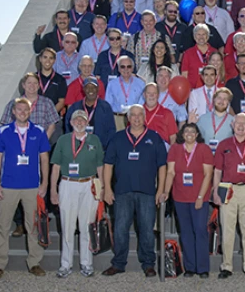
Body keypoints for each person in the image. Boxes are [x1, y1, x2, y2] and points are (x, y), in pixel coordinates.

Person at [102, 105, 167, 277]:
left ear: (145, 117)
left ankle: (148, 264)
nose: (137, 118)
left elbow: (162, 166)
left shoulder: (154, 138)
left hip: (147, 192)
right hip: (122, 191)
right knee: (120, 228)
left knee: (146, 229)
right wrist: (107, 189)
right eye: (133, 115)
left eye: (140, 115)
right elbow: (108, 165)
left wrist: (160, 189)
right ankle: (118, 263)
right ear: (128, 118)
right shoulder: (117, 138)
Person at [0, 98, 50, 280]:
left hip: (32, 187)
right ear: (13, 112)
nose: (22, 112)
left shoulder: (39, 131)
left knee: (33, 226)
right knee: (2, 226)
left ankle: (34, 262)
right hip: (8, 186)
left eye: (26, 109)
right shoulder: (3, 132)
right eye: (19, 109)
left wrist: (45, 183)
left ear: (30, 111)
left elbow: (44, 159)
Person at [50, 110, 104, 278]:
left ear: (87, 123)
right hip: (68, 184)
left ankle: (86, 264)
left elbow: (100, 166)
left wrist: (101, 187)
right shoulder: (63, 140)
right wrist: (53, 189)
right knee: (67, 225)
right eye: (76, 120)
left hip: (88, 185)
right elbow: (56, 167)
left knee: (87, 225)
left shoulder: (94, 140)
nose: (80, 122)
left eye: (83, 120)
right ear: (71, 122)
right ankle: (65, 264)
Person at [213, 113, 245, 279]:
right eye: (237, 124)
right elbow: (217, 170)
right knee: (227, 229)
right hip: (228, 189)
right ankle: (227, 266)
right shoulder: (224, 145)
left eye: (244, 124)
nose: (240, 126)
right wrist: (215, 192)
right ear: (232, 125)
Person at [164, 123, 213, 278]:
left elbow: (208, 174)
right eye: (187, 131)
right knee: (185, 232)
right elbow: (170, 172)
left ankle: (203, 267)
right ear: (182, 134)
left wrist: (200, 197)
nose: (190, 134)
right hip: (180, 197)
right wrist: (166, 191)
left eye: (193, 131)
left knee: (200, 231)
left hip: (199, 197)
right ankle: (190, 267)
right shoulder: (175, 149)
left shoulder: (204, 149)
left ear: (197, 134)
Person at [0, 73, 60, 140]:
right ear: (23, 85)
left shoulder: (47, 103)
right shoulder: (12, 104)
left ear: (39, 86)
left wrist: (43, 142)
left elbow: (52, 125)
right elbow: (6, 126)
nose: (32, 86)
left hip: (39, 143)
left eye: (35, 83)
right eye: (29, 83)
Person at [65, 77, 116, 149]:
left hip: (99, 148)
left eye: (93, 87)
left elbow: (111, 130)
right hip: (78, 148)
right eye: (87, 87)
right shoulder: (75, 107)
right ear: (83, 89)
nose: (90, 90)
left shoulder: (105, 107)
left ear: (98, 89)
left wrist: (104, 147)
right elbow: (68, 127)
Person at [105, 56, 145, 131]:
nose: (126, 69)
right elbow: (108, 104)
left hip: (135, 119)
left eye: (129, 66)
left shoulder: (141, 83)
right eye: (123, 67)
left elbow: (142, 102)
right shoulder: (112, 84)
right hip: (117, 118)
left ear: (132, 68)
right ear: (119, 69)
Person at [181, 23, 217, 89]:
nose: (201, 37)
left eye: (204, 34)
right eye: (198, 34)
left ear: (208, 36)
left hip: (211, 89)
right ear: (194, 36)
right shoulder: (188, 53)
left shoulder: (215, 52)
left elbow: (219, 72)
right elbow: (184, 74)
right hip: (193, 90)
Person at [35, 47, 67, 114]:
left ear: (54, 60)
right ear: (40, 59)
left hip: (53, 117)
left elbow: (61, 101)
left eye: (51, 58)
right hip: (35, 115)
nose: (48, 61)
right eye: (45, 57)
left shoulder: (60, 79)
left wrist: (50, 116)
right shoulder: (33, 78)